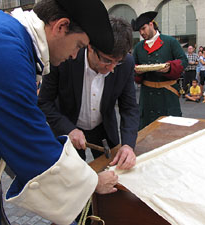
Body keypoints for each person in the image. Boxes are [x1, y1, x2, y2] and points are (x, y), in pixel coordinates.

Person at [0, 0, 119, 224]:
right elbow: (30, 144)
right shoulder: (3, 51)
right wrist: (93, 182)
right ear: (60, 26)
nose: (74, 56)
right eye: (78, 45)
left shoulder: (4, 34)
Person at [38, 17, 139, 170]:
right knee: (72, 177)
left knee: (112, 174)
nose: (111, 68)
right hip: (68, 126)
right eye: (106, 60)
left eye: (116, 62)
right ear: (91, 47)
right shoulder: (64, 58)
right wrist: (68, 129)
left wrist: (128, 145)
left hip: (103, 129)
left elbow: (129, 107)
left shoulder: (126, 64)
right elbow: (44, 102)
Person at [131, 11, 188, 129]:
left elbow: (183, 61)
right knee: (146, 131)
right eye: (139, 31)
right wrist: (137, 71)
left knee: (170, 130)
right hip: (147, 97)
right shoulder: (138, 47)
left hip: (168, 95)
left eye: (143, 28)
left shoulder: (170, 42)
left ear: (151, 24)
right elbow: (132, 69)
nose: (142, 33)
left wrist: (170, 68)